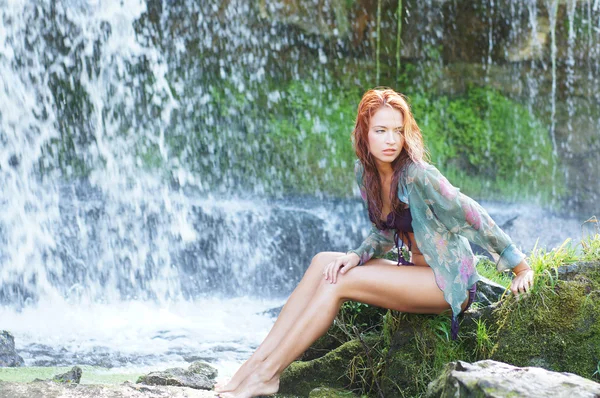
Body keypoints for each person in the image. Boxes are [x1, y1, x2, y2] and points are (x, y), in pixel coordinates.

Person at [213, 88, 535, 398]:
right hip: (415, 274)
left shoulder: (418, 175)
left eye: (397, 130)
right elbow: (383, 234)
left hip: (447, 282)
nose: (391, 140)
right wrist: (356, 255)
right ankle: (252, 367)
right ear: (364, 132)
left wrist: (519, 267)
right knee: (323, 263)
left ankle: (269, 376)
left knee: (337, 283)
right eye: (381, 130)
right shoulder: (365, 173)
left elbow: (472, 214)